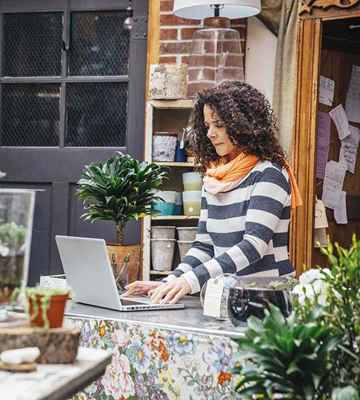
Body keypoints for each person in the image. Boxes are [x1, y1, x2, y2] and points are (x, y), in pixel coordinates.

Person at [125, 81, 302, 304]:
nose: (210, 133)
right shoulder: (214, 178)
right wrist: (170, 281)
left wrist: (190, 281)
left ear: (244, 124)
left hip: (269, 299)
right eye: (207, 125)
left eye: (218, 125)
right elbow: (204, 246)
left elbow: (253, 247)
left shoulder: (269, 174)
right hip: (230, 296)